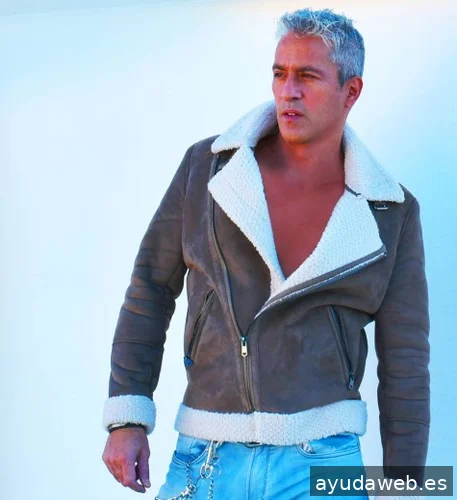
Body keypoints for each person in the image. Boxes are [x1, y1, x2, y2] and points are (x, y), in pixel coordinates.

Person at [102, 8, 430, 499]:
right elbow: (149, 287)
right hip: (205, 455)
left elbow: (405, 360)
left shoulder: (390, 212)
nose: (288, 91)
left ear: (351, 92)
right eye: (280, 73)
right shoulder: (207, 170)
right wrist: (127, 416)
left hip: (324, 463)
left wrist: (406, 486)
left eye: (308, 76)